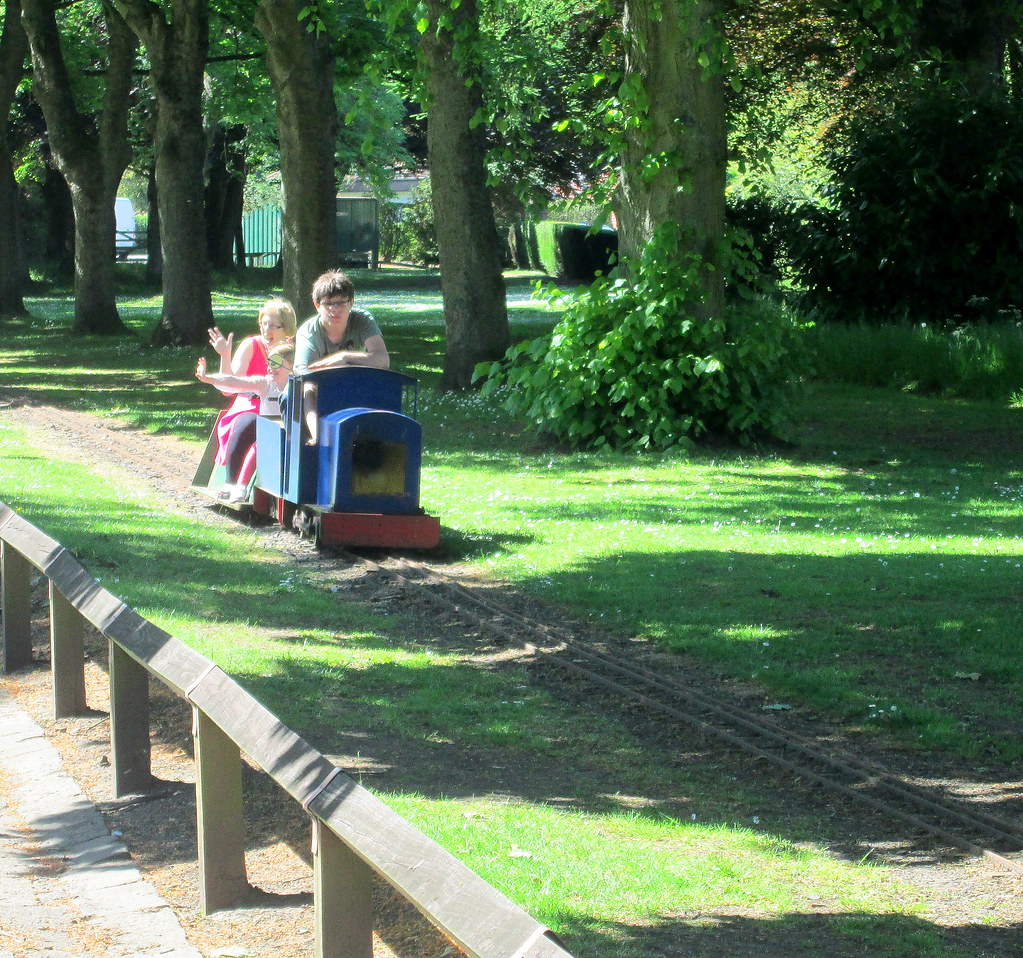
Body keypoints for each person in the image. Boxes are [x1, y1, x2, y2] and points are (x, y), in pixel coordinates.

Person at [205, 298, 297, 490]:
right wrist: (225, 355)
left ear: (286, 329)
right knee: (252, 422)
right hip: (250, 405)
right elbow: (228, 388)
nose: (266, 330)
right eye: (264, 324)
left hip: (282, 406)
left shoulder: (292, 351)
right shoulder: (251, 345)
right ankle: (232, 482)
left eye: (273, 326)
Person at [293, 271, 389, 443]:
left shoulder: (363, 320)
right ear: (317, 305)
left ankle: (373, 442)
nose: (335, 309)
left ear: (351, 302)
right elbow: (304, 374)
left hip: (355, 384)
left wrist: (344, 357)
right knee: (303, 391)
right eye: (328, 303)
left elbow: (382, 360)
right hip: (319, 387)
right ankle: (315, 439)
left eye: (341, 302)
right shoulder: (308, 332)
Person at [195, 342, 295, 502]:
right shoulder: (265, 383)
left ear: (292, 366)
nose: (270, 368)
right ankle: (240, 486)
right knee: (258, 446)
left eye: (275, 362)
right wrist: (209, 378)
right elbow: (234, 382)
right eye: (269, 362)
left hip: (293, 433)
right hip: (271, 431)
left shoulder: (301, 385)